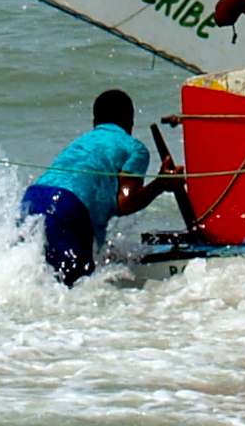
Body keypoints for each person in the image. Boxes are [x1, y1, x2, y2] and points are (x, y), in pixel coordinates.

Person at [21, 89, 176, 283]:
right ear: (131, 119)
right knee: (75, 287)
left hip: (32, 201)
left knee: (35, 280)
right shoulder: (134, 148)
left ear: (94, 121)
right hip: (67, 205)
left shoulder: (82, 142)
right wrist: (161, 183)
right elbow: (125, 202)